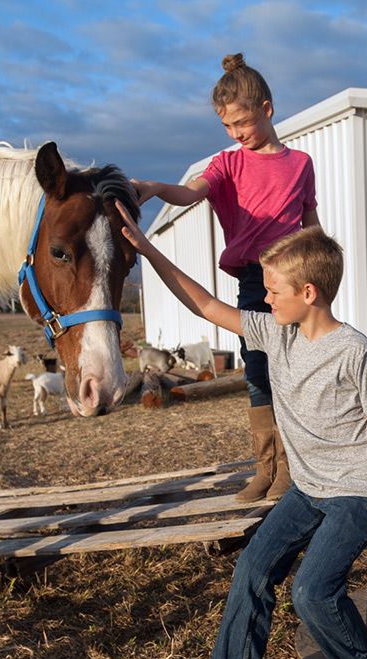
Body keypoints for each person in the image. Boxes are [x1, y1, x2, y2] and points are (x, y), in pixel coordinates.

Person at [117, 208, 367, 659]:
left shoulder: (354, 352)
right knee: (252, 571)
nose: (264, 299)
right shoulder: (275, 334)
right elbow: (203, 303)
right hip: (309, 488)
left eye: (273, 290)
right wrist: (149, 252)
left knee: (311, 590)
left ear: (308, 293)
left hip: (358, 492)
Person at [132, 52, 317, 503]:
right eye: (227, 127)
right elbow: (191, 192)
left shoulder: (300, 164)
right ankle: (265, 467)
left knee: (292, 372)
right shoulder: (228, 165)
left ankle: (292, 471)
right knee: (257, 370)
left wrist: (321, 270)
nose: (235, 134)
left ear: (267, 109)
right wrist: (157, 188)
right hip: (255, 283)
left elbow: (310, 222)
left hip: (294, 278)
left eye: (242, 123)